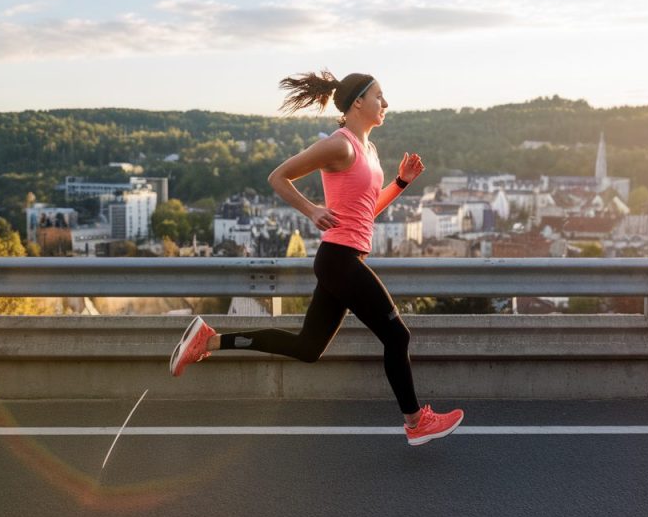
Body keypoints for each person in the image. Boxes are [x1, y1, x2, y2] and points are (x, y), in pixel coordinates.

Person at [170, 70, 464, 446]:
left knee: (307, 348)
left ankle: (208, 342)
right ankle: (415, 421)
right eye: (379, 96)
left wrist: (401, 182)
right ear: (358, 102)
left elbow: (366, 211)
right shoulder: (340, 145)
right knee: (397, 335)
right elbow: (278, 177)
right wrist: (311, 210)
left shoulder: (370, 151)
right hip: (339, 259)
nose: (385, 103)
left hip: (343, 258)